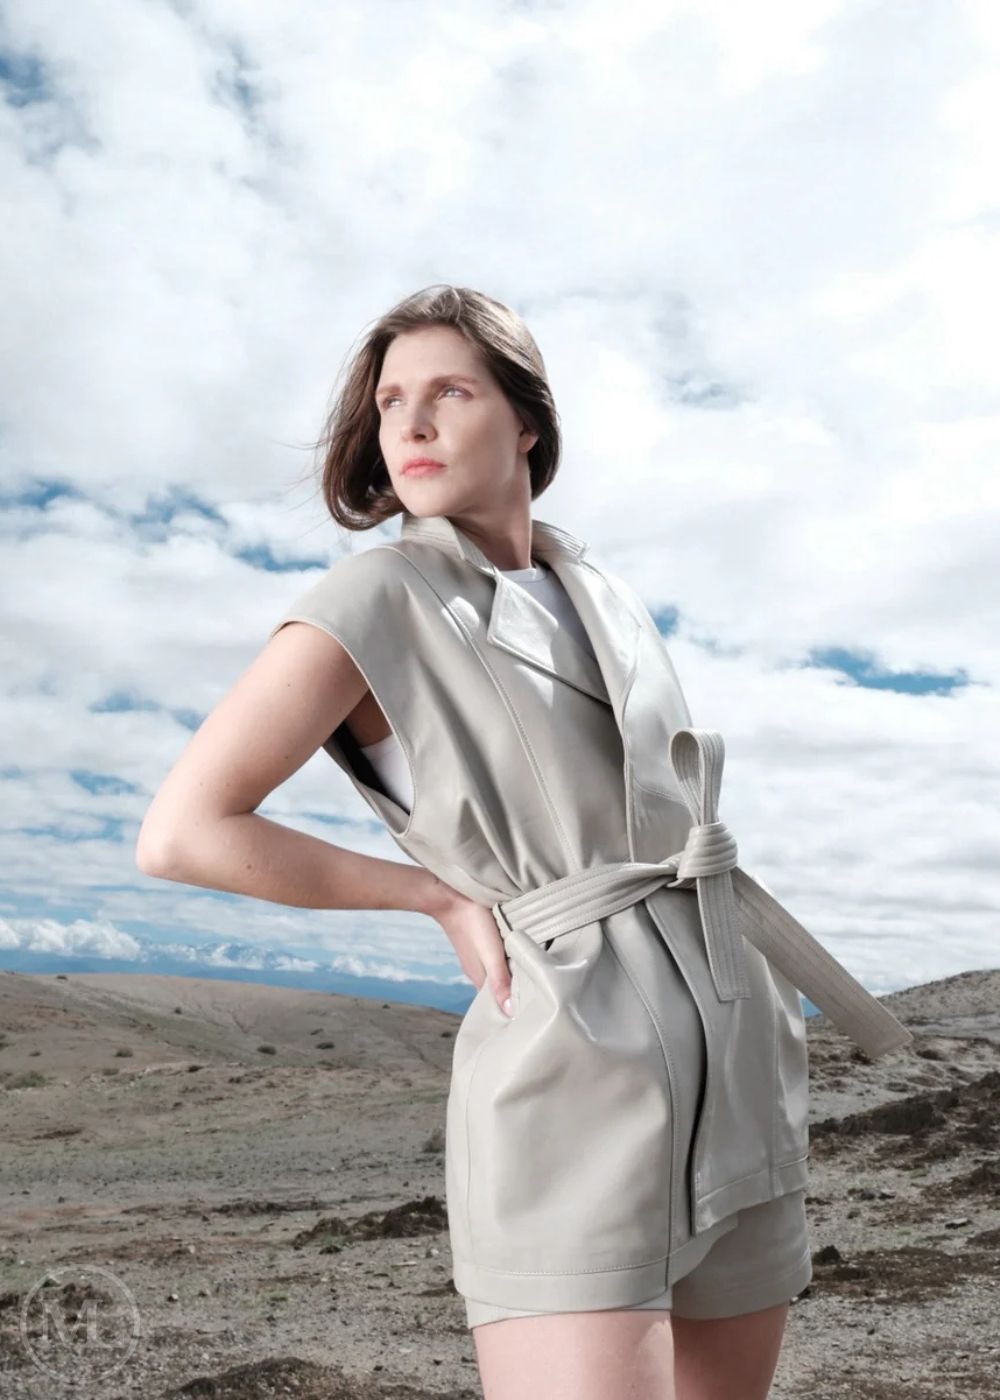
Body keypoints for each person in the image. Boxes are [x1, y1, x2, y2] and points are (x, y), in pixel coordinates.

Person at [136, 284, 911, 1400]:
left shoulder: (599, 586)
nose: (408, 423)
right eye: (390, 399)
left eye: (448, 391)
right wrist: (435, 897)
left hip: (738, 1042)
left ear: (527, 421)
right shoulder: (376, 597)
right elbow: (183, 831)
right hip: (568, 1064)